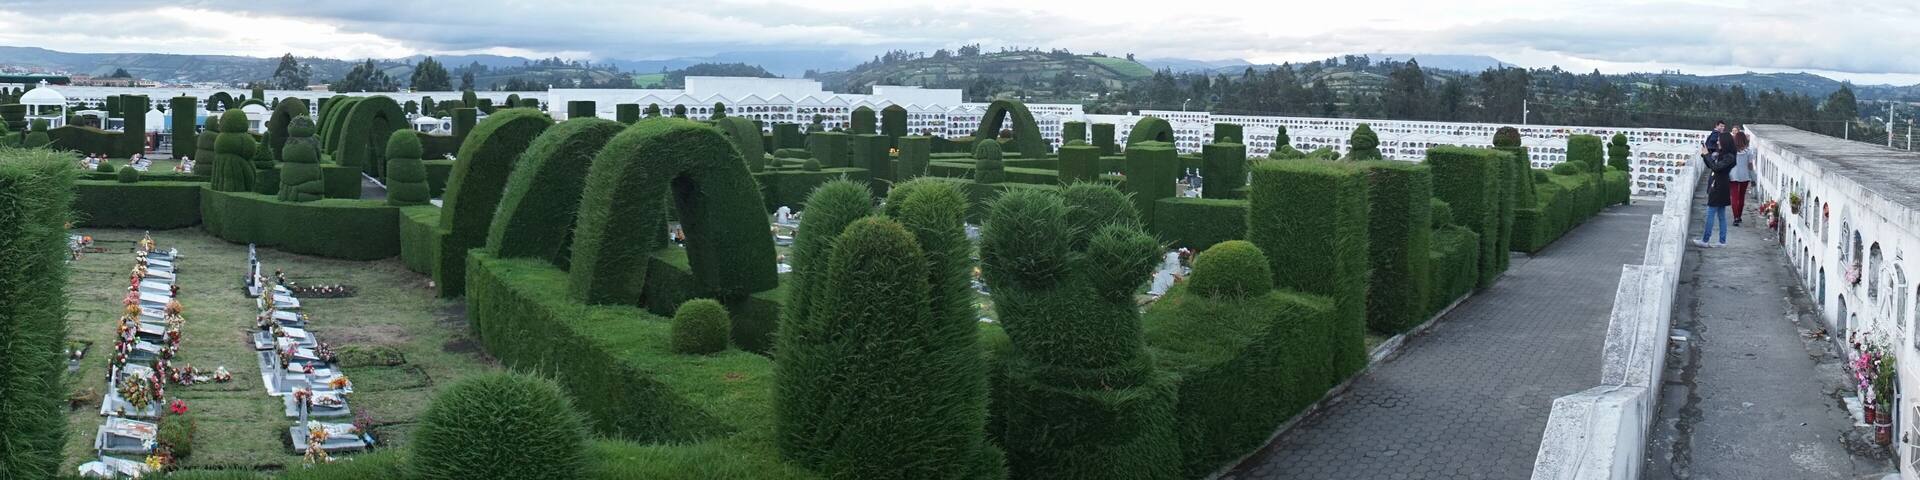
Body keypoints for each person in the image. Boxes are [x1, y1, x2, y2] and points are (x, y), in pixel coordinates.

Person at [1696, 133, 1738, 248]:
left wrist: (1707, 155)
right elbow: (1711, 165)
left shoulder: (1729, 157)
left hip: (1719, 186)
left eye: (1719, 140)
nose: (1717, 142)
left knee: (1710, 213)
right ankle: (1722, 241)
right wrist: (1705, 155)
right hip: (1720, 185)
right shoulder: (1723, 154)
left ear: (1725, 142)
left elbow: (1716, 167)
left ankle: (1705, 240)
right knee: (1721, 215)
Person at [1729, 126, 1754, 225]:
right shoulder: (1749, 151)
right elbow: (1750, 165)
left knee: (1734, 197)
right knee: (1741, 197)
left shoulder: (1732, 150)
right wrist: (1753, 177)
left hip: (1733, 175)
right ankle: (1739, 216)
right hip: (1745, 175)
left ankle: (1735, 218)